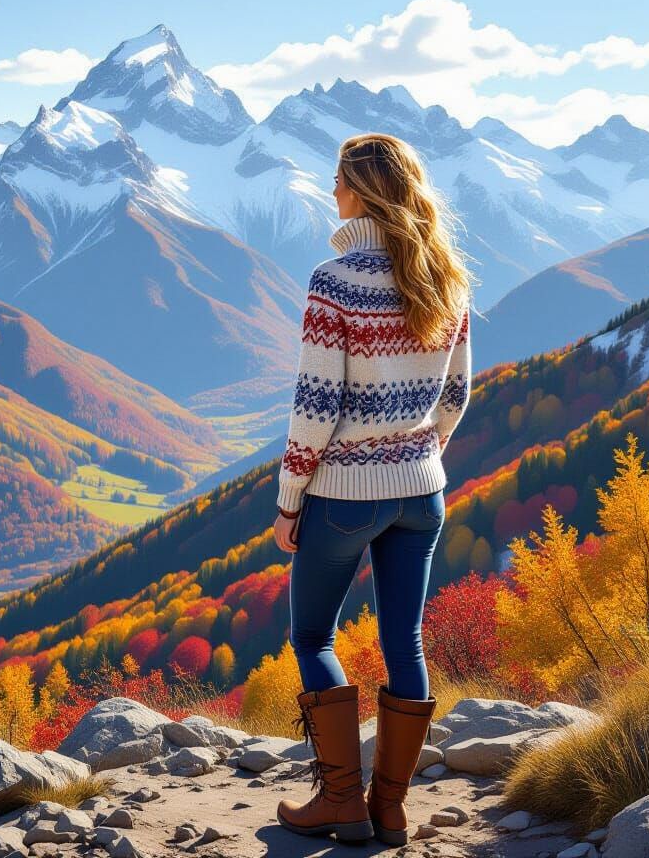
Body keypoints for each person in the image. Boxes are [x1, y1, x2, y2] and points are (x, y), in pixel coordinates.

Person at [272, 132, 475, 845]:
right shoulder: (446, 276)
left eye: (337, 180)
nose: (330, 192)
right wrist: (417, 453)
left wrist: (291, 497)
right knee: (404, 641)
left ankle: (340, 802)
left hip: (343, 493)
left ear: (360, 190)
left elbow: (317, 402)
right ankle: (390, 809)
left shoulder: (336, 280)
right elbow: (456, 396)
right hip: (423, 491)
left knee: (310, 633)